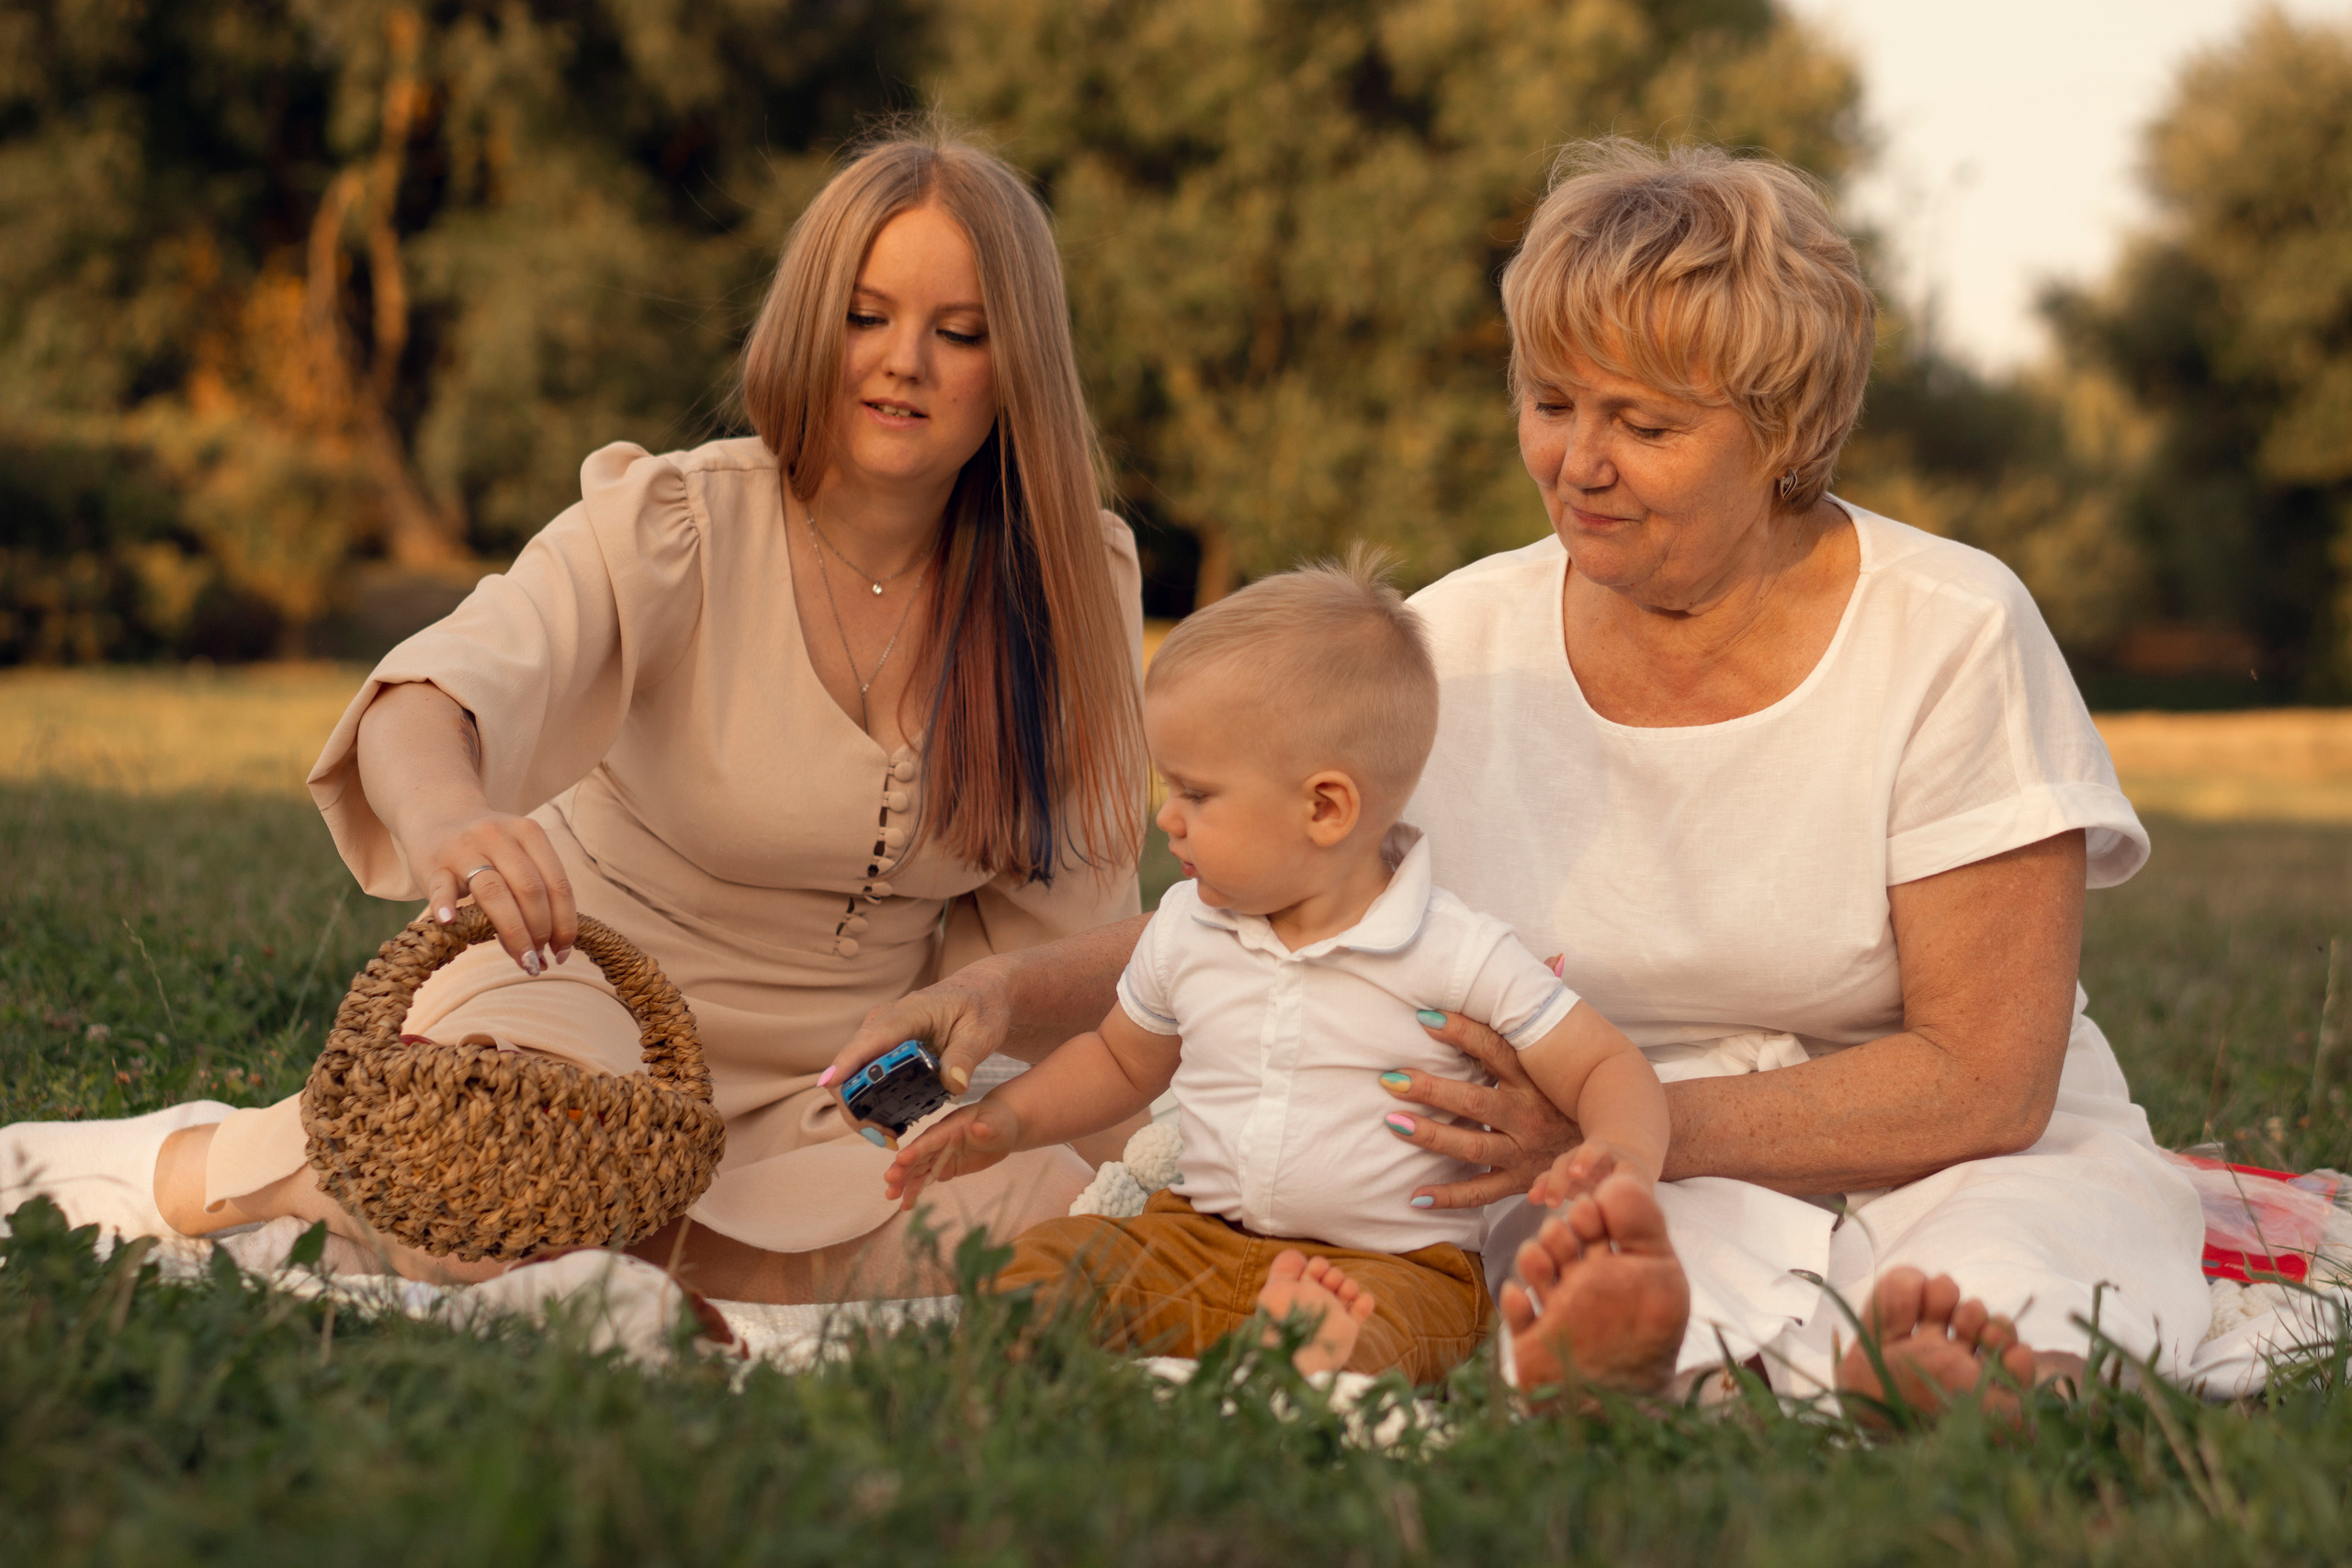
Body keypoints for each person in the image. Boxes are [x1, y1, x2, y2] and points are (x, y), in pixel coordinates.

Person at [831, 139, 2211, 1416]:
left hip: (1909, 1139)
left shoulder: (1951, 627)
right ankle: (1703, 1360)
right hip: (1616, 1154)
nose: (1578, 464)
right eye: (1549, 402)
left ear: (1784, 430)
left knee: (2021, 1258)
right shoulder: (1452, 648)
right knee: (1623, 1270)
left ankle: (1942, 1360)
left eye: (1647, 426)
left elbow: (1986, 1079)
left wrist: (1614, 1123)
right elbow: (1255, 893)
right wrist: (1000, 991)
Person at [0, 128, 1152, 1303]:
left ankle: (595, 1234)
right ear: (810, 323)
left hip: (836, 1090)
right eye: (866, 317)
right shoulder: (678, 522)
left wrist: (994, 998)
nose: (903, 361)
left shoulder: (1070, 583)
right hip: (574, 1000)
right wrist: (452, 815)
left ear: (1017, 369)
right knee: (502, 1188)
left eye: (958, 334)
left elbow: (1109, 938)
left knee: (1070, 1236)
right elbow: (431, 696)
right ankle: (218, 1167)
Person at [876, 555, 1669, 1383]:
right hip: (1193, 1235)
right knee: (1035, 1274)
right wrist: (1007, 1120)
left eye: (1197, 793)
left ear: (1325, 808)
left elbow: (1606, 1062)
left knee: (1377, 1339)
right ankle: (1246, 1360)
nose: (1166, 816)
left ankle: (1302, 1362)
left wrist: (1618, 1149)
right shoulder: (1188, 925)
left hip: (1391, 1266)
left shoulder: (1455, 950)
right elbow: (1117, 1059)